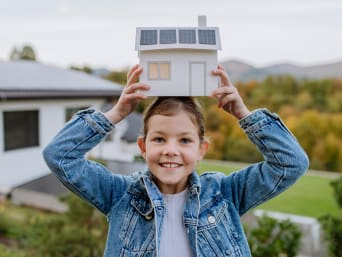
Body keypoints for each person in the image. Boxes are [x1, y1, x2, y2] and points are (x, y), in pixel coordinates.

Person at [43, 64, 309, 257]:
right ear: (142, 147)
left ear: (202, 149)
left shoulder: (225, 194)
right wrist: (116, 113)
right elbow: (60, 155)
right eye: (159, 139)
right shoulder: (119, 195)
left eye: (184, 141)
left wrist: (243, 113)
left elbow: (291, 163)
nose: (171, 150)